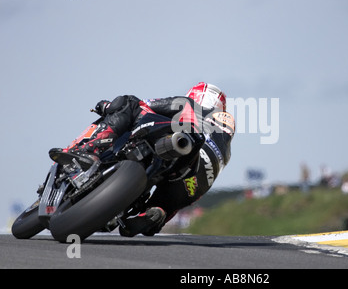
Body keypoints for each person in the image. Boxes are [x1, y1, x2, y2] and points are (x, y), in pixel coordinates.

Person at [49, 82, 235, 237]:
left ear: (197, 94)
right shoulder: (225, 143)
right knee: (168, 204)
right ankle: (155, 215)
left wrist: (108, 107)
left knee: (128, 102)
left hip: (179, 146)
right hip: (193, 181)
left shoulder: (188, 106)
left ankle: (90, 148)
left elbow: (145, 105)